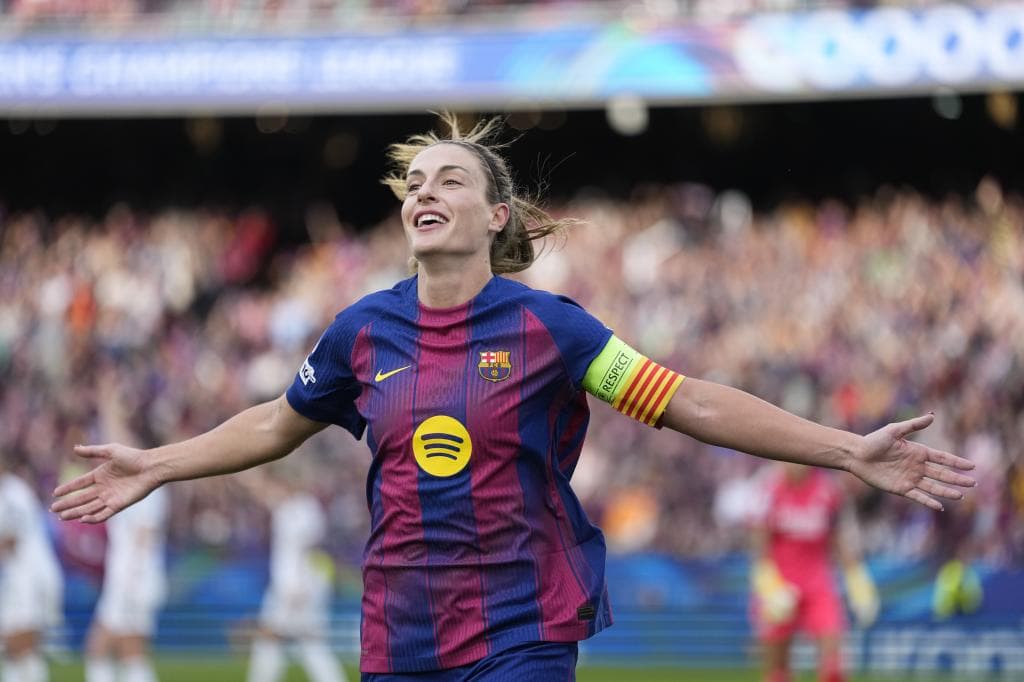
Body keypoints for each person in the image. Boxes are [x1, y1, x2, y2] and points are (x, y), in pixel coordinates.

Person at [52, 113, 976, 681]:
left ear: (496, 216)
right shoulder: (360, 332)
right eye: (414, 182)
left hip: (521, 630)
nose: (425, 190)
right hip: (398, 631)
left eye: (450, 179)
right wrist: (156, 465)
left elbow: (686, 400)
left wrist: (847, 449)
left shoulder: (551, 330)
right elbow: (275, 422)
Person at [749, 462, 879, 682]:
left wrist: (859, 584)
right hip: (779, 586)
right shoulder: (769, 490)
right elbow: (760, 548)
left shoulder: (828, 491)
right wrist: (770, 587)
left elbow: (839, 542)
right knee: (777, 671)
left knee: (833, 665)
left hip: (819, 585)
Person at [84, 372, 170, 682]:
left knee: (107, 649)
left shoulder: (148, 483)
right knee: (123, 653)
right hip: (134, 576)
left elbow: (144, 535)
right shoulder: (154, 480)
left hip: (133, 576)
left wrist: (108, 401)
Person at [237, 469, 347, 682]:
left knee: (281, 640)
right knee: (304, 643)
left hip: (294, 586)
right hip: (297, 584)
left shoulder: (301, 509)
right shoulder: (297, 507)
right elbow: (262, 490)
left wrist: (297, 585)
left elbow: (304, 551)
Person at [0, 459, 63, 682]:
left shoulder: (12, 493)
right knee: (19, 651)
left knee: (16, 642)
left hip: (32, 577)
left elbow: (10, 539)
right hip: (20, 578)